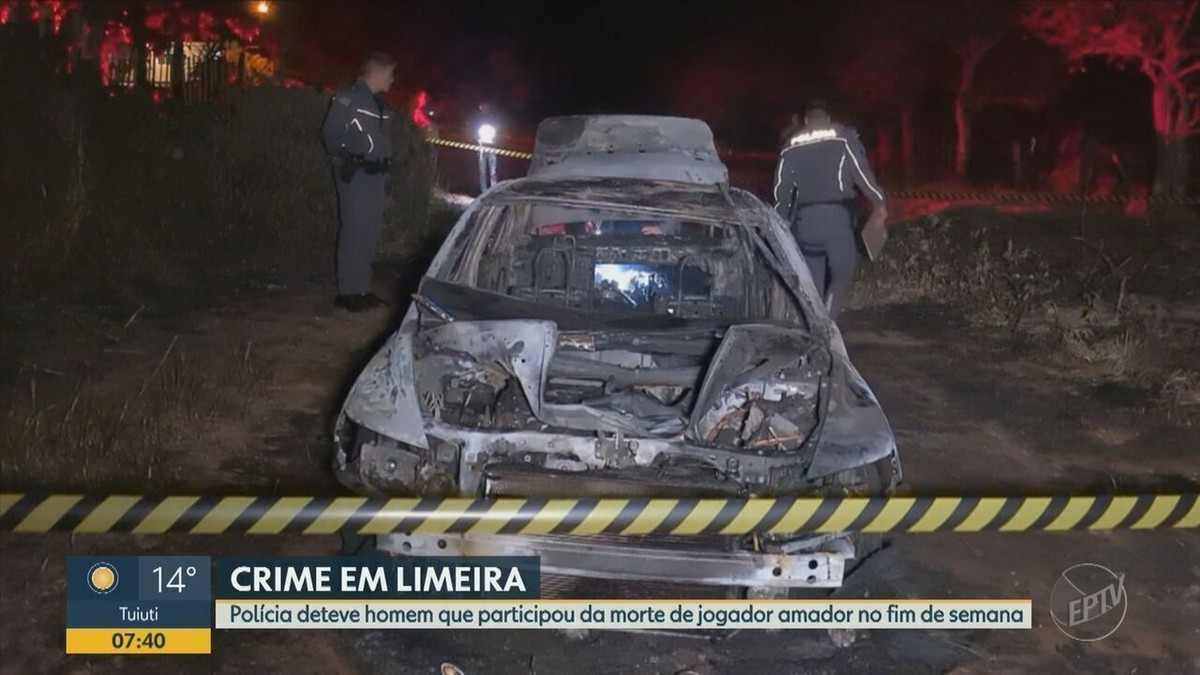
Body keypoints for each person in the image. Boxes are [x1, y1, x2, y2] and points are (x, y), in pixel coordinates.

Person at [773, 101, 887, 318]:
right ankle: (827, 325)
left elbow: (782, 192)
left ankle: (813, 327)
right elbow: (863, 176)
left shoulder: (790, 146)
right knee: (841, 275)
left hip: (804, 224)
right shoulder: (843, 139)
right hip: (835, 220)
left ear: (805, 121)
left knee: (813, 286)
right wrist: (879, 202)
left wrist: (782, 224)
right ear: (827, 118)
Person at [320, 52, 396, 313]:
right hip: (356, 175)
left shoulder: (378, 103)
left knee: (369, 231)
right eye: (389, 74)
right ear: (376, 73)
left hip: (375, 176)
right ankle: (347, 291)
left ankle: (360, 288)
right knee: (354, 230)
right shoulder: (350, 98)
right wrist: (346, 161)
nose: (392, 79)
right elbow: (330, 134)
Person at [470, 103, 500, 193]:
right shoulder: (477, 120)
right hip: (481, 146)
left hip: (492, 146)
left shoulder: (493, 119)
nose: (484, 109)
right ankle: (483, 191)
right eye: (482, 107)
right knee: (482, 171)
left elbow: (498, 131)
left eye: (486, 107)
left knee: (493, 171)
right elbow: (474, 132)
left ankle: (493, 190)